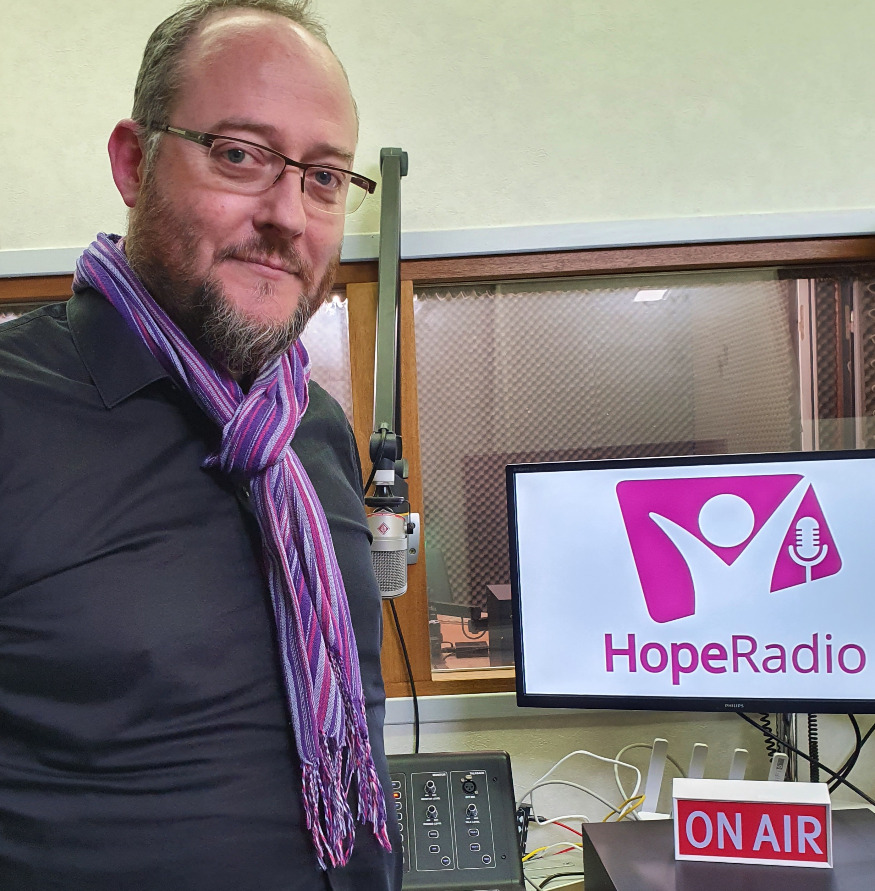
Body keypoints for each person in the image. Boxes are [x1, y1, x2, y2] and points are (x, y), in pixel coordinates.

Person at [0, 1, 402, 889]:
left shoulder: (310, 428)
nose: (288, 215)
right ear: (133, 162)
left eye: (324, 176)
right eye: (240, 155)